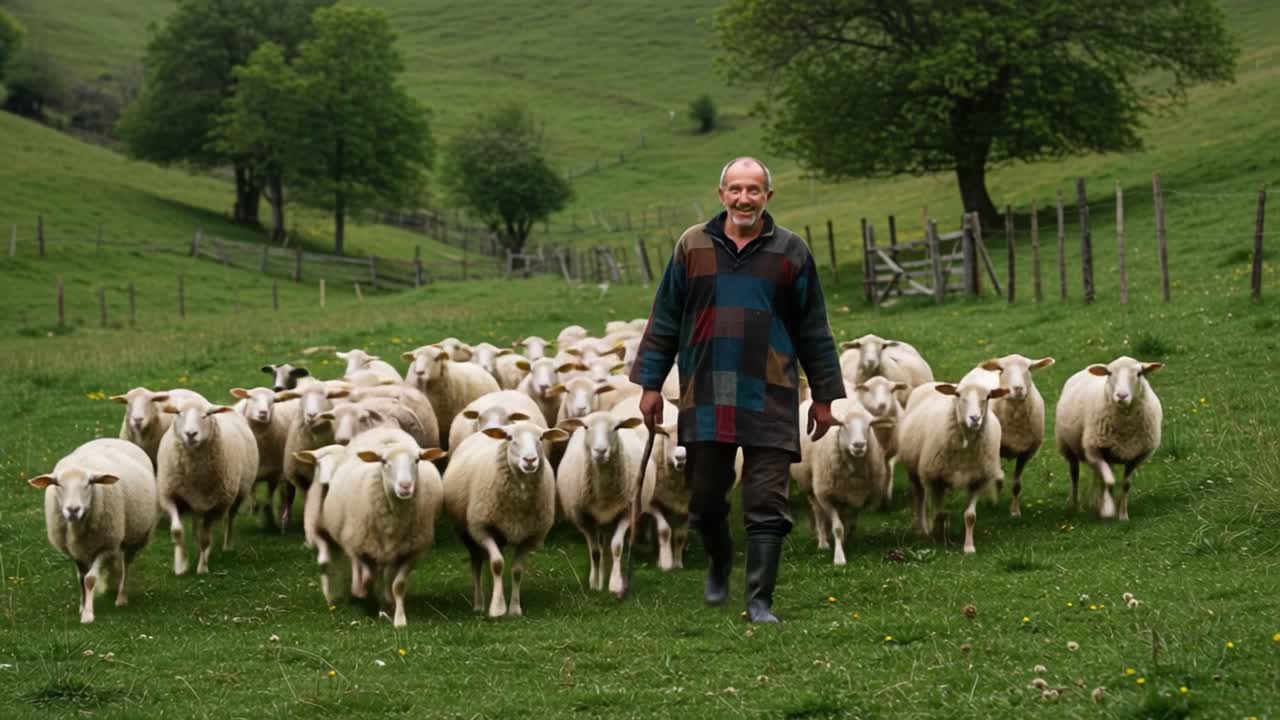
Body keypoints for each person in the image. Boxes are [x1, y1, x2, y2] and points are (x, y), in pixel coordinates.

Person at [630, 156, 845, 623]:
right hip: (705, 390)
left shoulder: (791, 250)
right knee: (705, 500)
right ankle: (720, 560)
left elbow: (813, 326)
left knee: (767, 500)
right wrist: (650, 384)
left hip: (770, 388)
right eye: (736, 189)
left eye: (753, 190)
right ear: (721, 194)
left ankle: (759, 601)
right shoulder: (693, 244)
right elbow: (665, 316)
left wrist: (825, 396)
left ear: (768, 196)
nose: (744, 198)